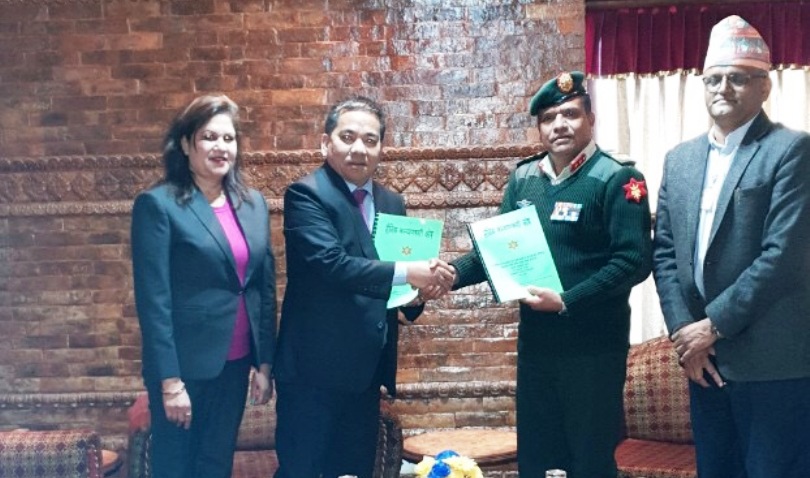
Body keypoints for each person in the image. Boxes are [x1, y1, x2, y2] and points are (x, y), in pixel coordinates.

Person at [451, 72, 652, 478]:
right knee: (538, 459)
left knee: (589, 461)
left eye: (570, 114)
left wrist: (566, 301)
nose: (559, 125)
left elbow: (633, 261)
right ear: (540, 128)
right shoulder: (524, 179)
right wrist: (446, 275)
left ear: (590, 119)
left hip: (594, 350)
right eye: (548, 118)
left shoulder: (618, 178)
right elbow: (498, 252)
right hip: (537, 348)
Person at [652, 15, 810, 478]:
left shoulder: (791, 150)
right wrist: (687, 336)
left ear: (765, 87)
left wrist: (713, 326)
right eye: (713, 79)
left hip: (772, 364)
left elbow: (782, 257)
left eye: (738, 78)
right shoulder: (679, 160)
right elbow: (665, 255)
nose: (723, 88)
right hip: (704, 364)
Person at [273, 96, 455, 478]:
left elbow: (392, 285)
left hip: (366, 375)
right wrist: (410, 273)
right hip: (312, 375)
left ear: (381, 148)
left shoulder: (391, 202)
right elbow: (333, 265)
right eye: (348, 137)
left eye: (370, 140)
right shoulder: (306, 195)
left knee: (354, 471)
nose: (359, 148)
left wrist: (418, 294)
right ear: (326, 143)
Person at [130, 94, 277, 478]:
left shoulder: (253, 204)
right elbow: (154, 302)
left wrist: (264, 363)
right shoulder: (158, 205)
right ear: (185, 144)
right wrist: (169, 383)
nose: (220, 147)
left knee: (216, 464)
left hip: (236, 365)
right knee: (177, 468)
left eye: (229, 138)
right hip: (184, 369)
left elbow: (263, 288)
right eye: (209, 137)